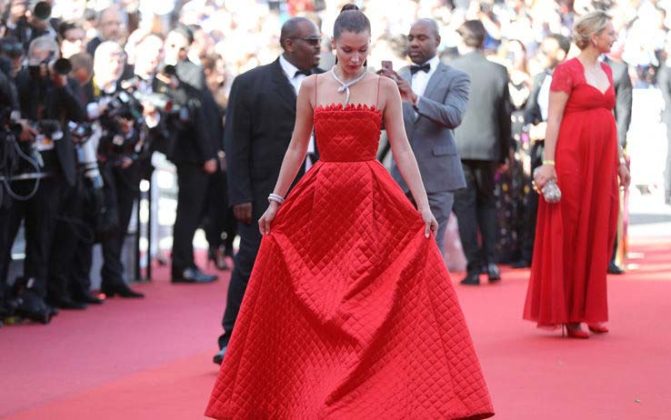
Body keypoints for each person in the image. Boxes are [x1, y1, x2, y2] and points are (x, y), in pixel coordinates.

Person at [206, 6, 494, 418]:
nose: (355, 58)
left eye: (362, 50)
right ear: (333, 46)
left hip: (371, 196)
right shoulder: (313, 87)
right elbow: (296, 147)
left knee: (366, 294)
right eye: (347, 50)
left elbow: (402, 147)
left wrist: (423, 205)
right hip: (321, 196)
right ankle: (311, 382)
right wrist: (275, 200)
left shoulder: (384, 88)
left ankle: (373, 385)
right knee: (321, 293)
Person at [211, 16, 323, 365]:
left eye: (319, 41)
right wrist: (239, 195)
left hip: (316, 190)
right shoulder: (250, 83)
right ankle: (231, 337)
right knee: (252, 262)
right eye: (312, 41)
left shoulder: (327, 82)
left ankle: (301, 340)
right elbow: (235, 143)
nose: (320, 48)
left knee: (311, 268)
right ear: (289, 44)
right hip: (262, 191)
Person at [523, 11, 631, 339]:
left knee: (599, 229)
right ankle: (570, 313)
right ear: (593, 36)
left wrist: (620, 161)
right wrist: (550, 164)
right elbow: (553, 121)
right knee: (571, 230)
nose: (614, 38)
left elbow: (610, 118)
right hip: (571, 158)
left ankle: (592, 309)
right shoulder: (566, 71)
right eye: (610, 33)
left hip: (602, 160)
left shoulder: (609, 72)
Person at [384, 18, 470, 255]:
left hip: (438, 177)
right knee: (399, 250)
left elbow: (453, 116)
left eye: (421, 38)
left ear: (437, 41)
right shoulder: (399, 75)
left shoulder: (456, 77)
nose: (414, 43)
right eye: (411, 38)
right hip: (401, 178)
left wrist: (414, 98)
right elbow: (385, 124)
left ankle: (434, 294)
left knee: (432, 247)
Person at [450, 20, 512, 285]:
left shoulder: (451, 69)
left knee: (465, 207)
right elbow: (505, 116)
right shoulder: (497, 71)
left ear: (462, 40)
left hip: (459, 147)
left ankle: (474, 268)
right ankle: (491, 263)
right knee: (487, 204)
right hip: (489, 147)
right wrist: (505, 151)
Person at [513, 33, 571, 269]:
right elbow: (528, 116)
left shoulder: (574, 77)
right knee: (533, 201)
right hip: (539, 148)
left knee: (563, 200)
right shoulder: (538, 78)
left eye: (547, 50)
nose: (542, 55)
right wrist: (532, 129)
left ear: (561, 53)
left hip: (565, 147)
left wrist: (550, 129)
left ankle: (562, 255)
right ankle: (530, 255)